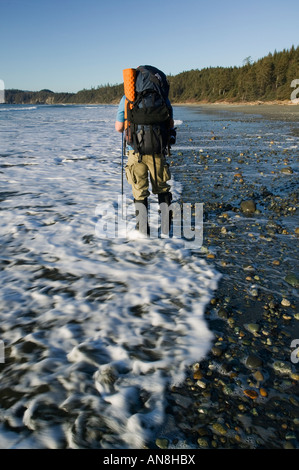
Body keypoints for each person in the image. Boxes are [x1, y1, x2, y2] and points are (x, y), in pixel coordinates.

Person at [115, 67, 175, 236]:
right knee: (162, 189)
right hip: (158, 151)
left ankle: (143, 232)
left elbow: (119, 128)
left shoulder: (127, 99)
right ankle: (166, 229)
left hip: (135, 152)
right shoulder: (162, 97)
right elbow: (169, 124)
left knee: (139, 191)